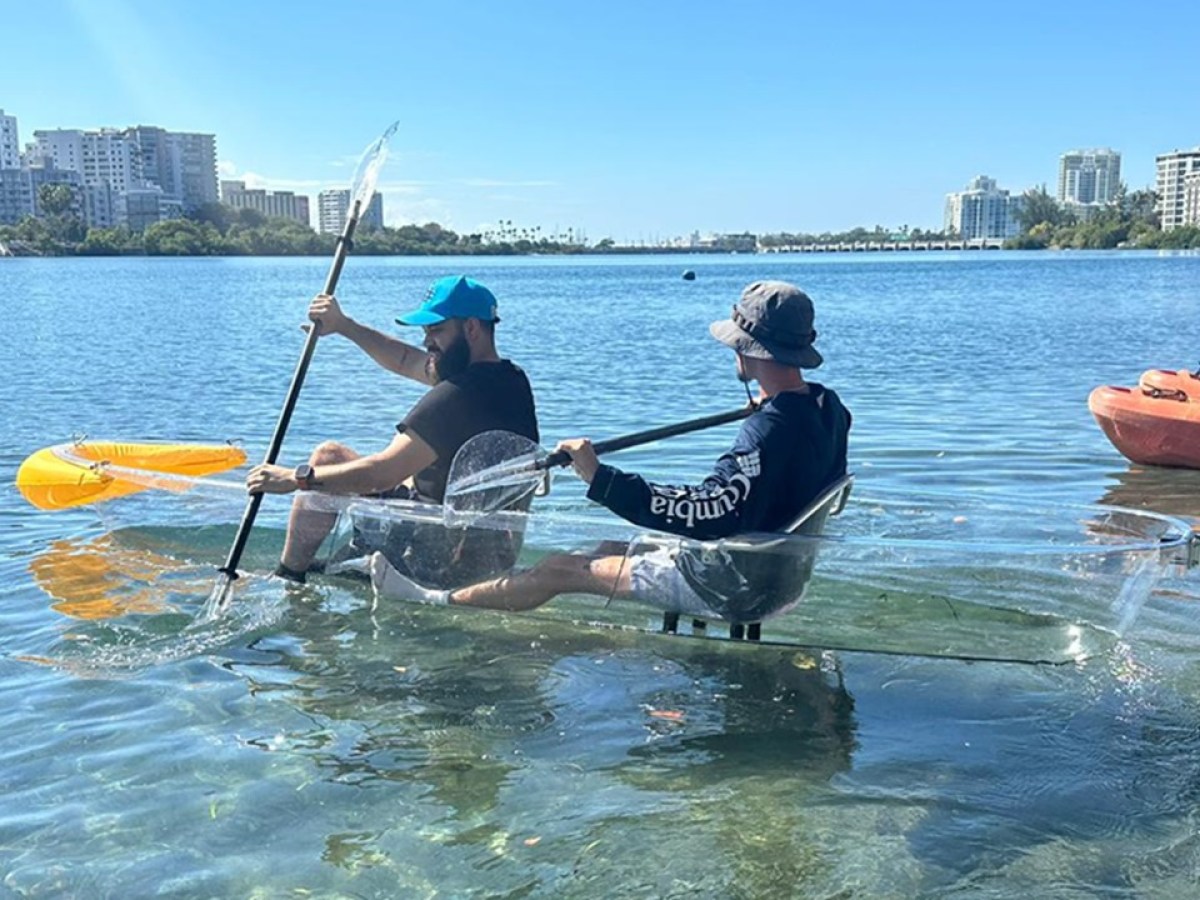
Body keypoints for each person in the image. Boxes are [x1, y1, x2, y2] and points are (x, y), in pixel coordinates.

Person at [371, 279, 851, 620]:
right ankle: (492, 590)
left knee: (560, 569)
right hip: (777, 575)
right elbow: (767, 487)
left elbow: (709, 512)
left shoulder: (767, 431)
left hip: (731, 584)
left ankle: (433, 602)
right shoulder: (827, 409)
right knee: (603, 549)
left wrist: (600, 478)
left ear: (745, 349)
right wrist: (768, 410)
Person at [246, 275, 539, 585]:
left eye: (437, 331)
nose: (427, 342)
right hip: (487, 552)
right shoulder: (511, 381)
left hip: (430, 551)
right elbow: (405, 360)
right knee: (374, 466)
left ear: (471, 328)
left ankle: (288, 577)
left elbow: (381, 474)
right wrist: (344, 326)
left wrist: (294, 478)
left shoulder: (456, 395)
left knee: (327, 458)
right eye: (426, 332)